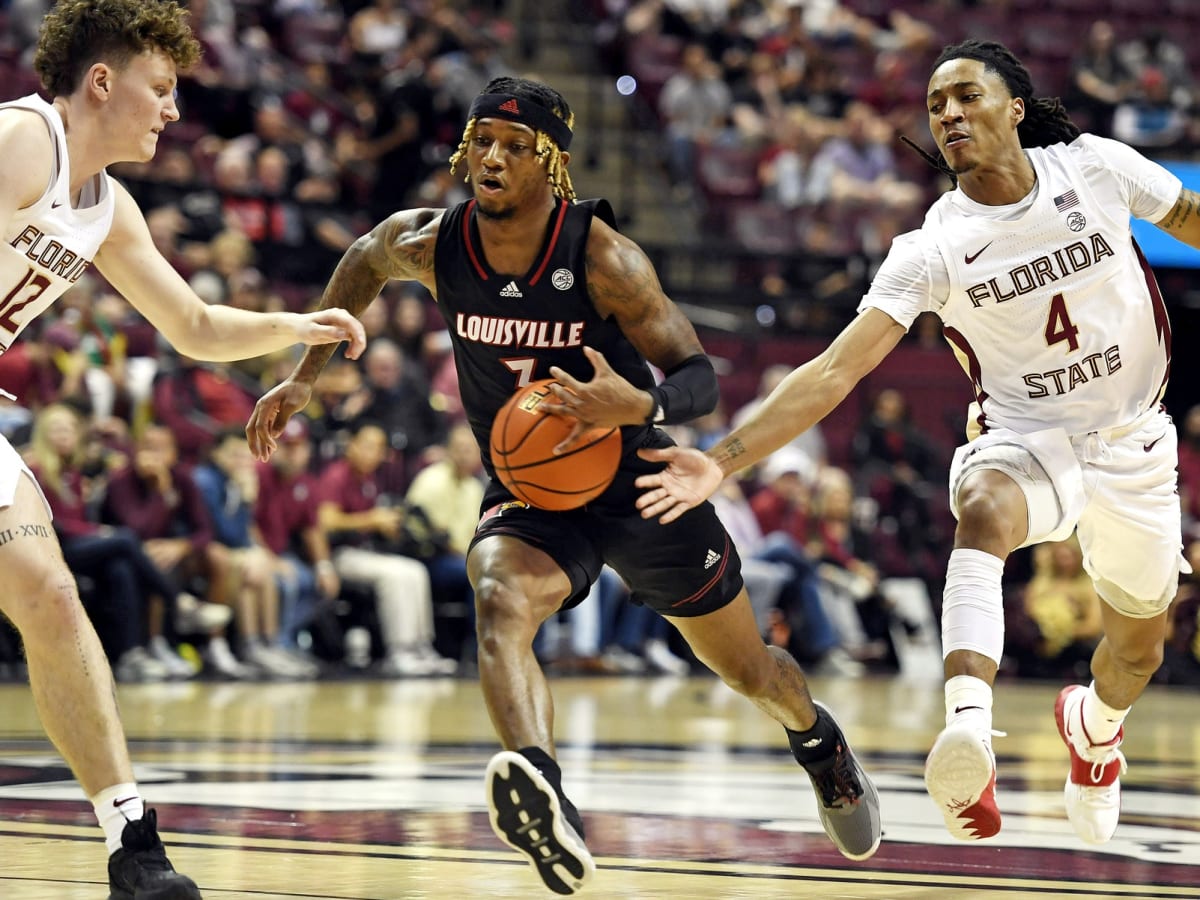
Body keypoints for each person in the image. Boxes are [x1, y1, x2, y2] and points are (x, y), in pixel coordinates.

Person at [246, 75, 881, 895]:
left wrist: (640, 402)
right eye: (482, 142)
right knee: (500, 597)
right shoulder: (432, 243)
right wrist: (305, 375)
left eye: (515, 146)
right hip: (534, 490)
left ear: (551, 162)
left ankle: (819, 742)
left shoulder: (603, 257)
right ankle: (544, 788)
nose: (493, 160)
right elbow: (361, 263)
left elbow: (699, 377)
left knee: (751, 672)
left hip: (637, 484)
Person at [636, 39, 1200, 849]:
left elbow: (1188, 216)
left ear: (1014, 107)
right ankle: (968, 730)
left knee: (1138, 650)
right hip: (1025, 434)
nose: (949, 114)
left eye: (967, 96)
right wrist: (721, 460)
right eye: (937, 105)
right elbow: (834, 371)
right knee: (983, 506)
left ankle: (1095, 726)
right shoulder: (932, 245)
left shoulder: (1095, 168)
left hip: (1134, 437)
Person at [0, 3, 365, 897]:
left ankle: (133, 843)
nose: (170, 111)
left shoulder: (106, 209)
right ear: (101, 82)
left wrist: (294, 324)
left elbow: (194, 325)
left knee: (50, 592)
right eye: (159, 89)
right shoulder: (19, 141)